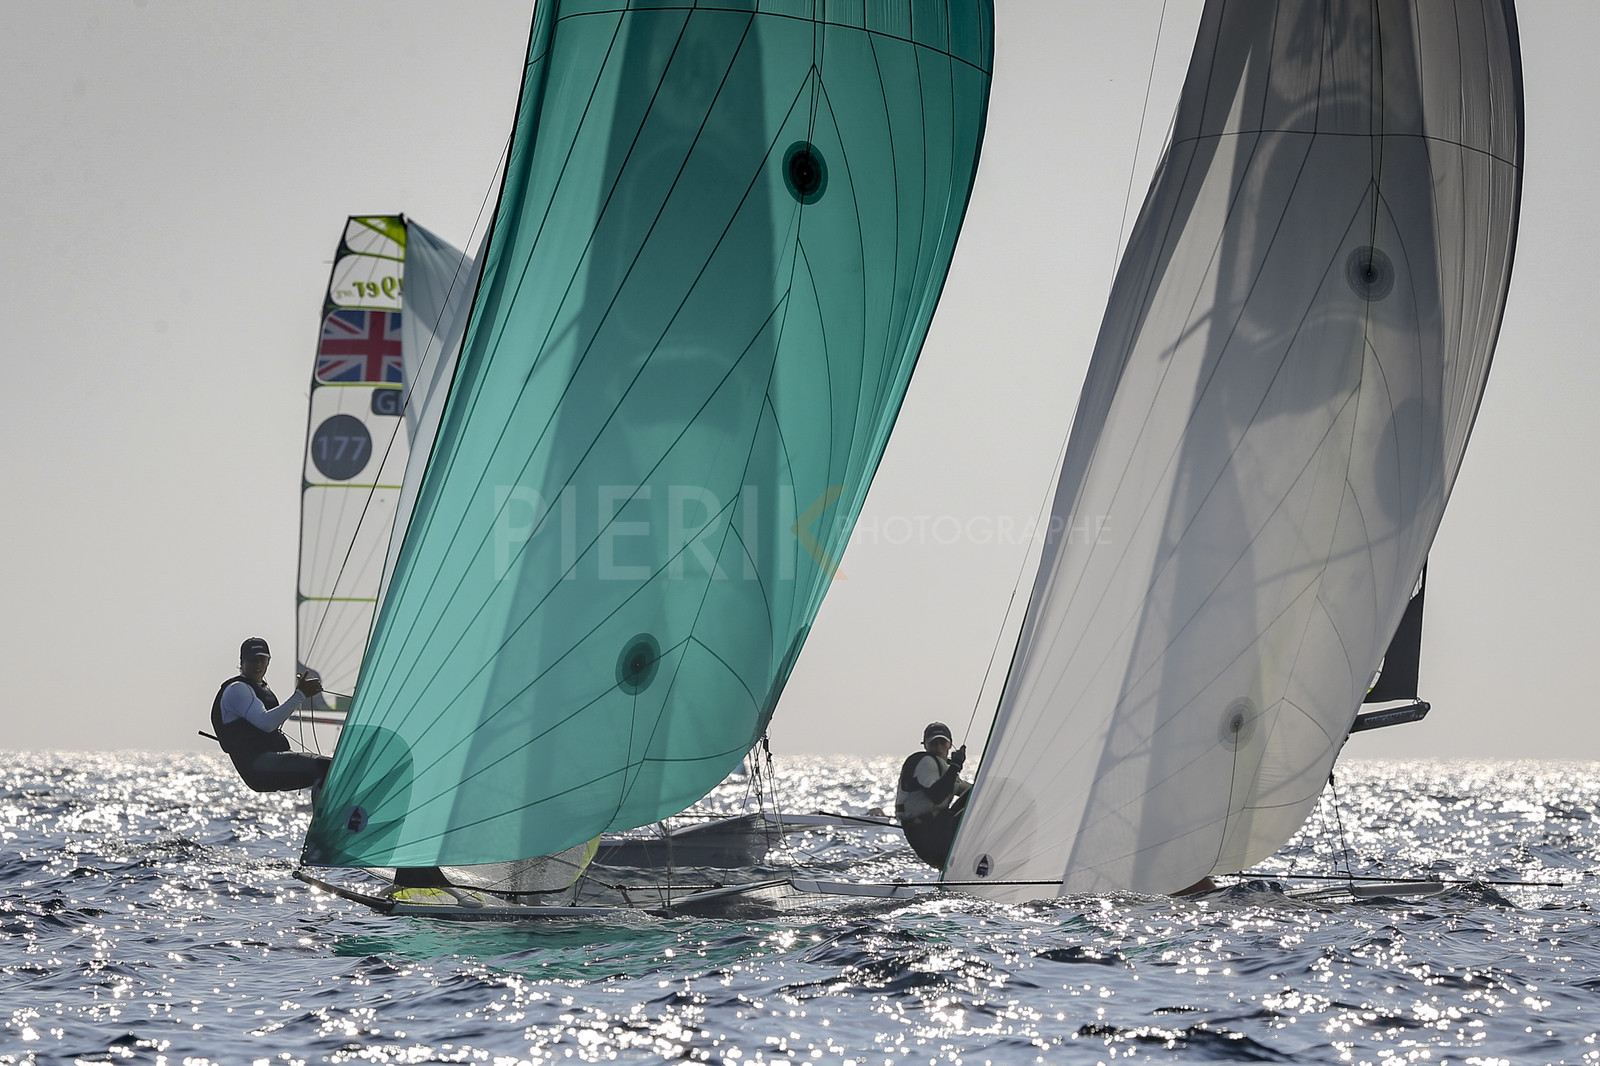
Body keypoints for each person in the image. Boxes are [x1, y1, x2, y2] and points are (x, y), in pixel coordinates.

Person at [209, 637, 330, 793]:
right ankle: (326, 817)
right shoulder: (237, 689)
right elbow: (266, 724)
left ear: (268, 661)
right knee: (326, 768)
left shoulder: (260, 689)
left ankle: (334, 815)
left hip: (272, 760)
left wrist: (301, 694)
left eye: (262, 659)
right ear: (242, 662)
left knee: (332, 770)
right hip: (258, 767)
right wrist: (300, 694)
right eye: (253, 660)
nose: (258, 665)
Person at [895, 721, 972, 869]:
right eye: (933, 743)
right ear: (925, 745)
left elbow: (970, 791)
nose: (938, 747)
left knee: (977, 798)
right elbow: (937, 795)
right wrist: (955, 766)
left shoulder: (945, 768)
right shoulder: (925, 763)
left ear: (950, 744)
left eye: (942, 742)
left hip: (939, 828)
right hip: (927, 837)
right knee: (972, 809)